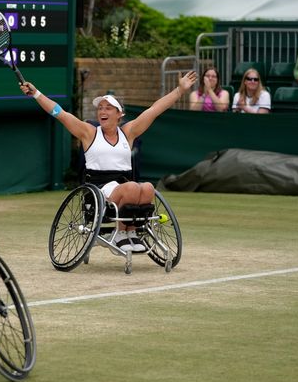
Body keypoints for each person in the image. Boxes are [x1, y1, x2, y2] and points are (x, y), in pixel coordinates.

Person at [19, 71, 198, 252]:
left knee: (148, 188)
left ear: (119, 114)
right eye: (100, 108)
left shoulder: (128, 132)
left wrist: (179, 90)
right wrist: (36, 94)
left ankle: (132, 232)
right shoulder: (88, 133)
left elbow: (155, 110)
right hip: (98, 193)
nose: (102, 111)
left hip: (125, 188)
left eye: (108, 108)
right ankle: (120, 234)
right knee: (133, 187)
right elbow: (60, 113)